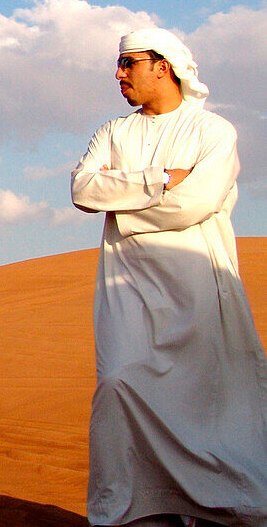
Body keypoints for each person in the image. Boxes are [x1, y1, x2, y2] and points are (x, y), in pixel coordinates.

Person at [70, 27, 267, 527]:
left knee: (209, 401)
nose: (119, 75)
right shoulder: (112, 133)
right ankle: (127, 511)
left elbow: (196, 203)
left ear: (164, 66)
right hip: (127, 285)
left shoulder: (213, 132)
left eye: (129, 63)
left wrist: (125, 209)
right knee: (118, 383)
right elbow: (84, 189)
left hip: (199, 285)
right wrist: (158, 181)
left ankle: (228, 508)